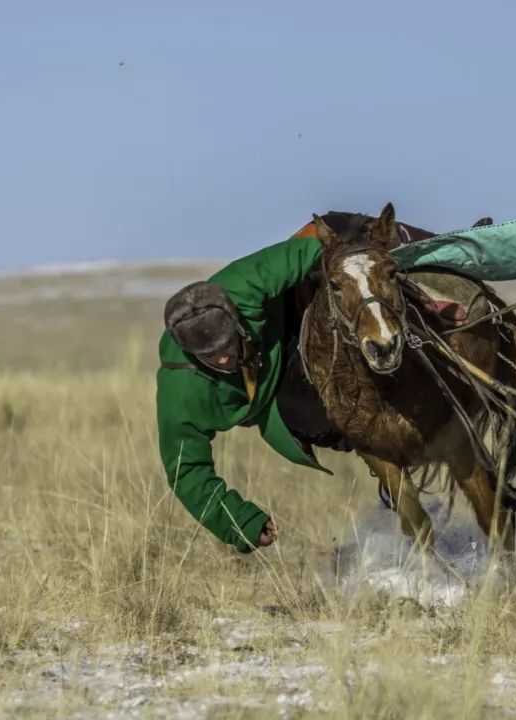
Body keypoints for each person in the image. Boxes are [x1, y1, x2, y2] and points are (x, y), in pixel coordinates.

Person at [155, 212, 445, 553]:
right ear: (192, 354)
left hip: (282, 331)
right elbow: (185, 470)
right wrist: (239, 522)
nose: (222, 358)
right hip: (276, 398)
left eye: (226, 344)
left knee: (336, 229)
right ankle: (387, 456)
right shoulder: (181, 388)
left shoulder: (241, 286)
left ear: (234, 317)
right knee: (330, 418)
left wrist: (363, 257)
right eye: (210, 355)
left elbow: (305, 253)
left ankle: (444, 253)